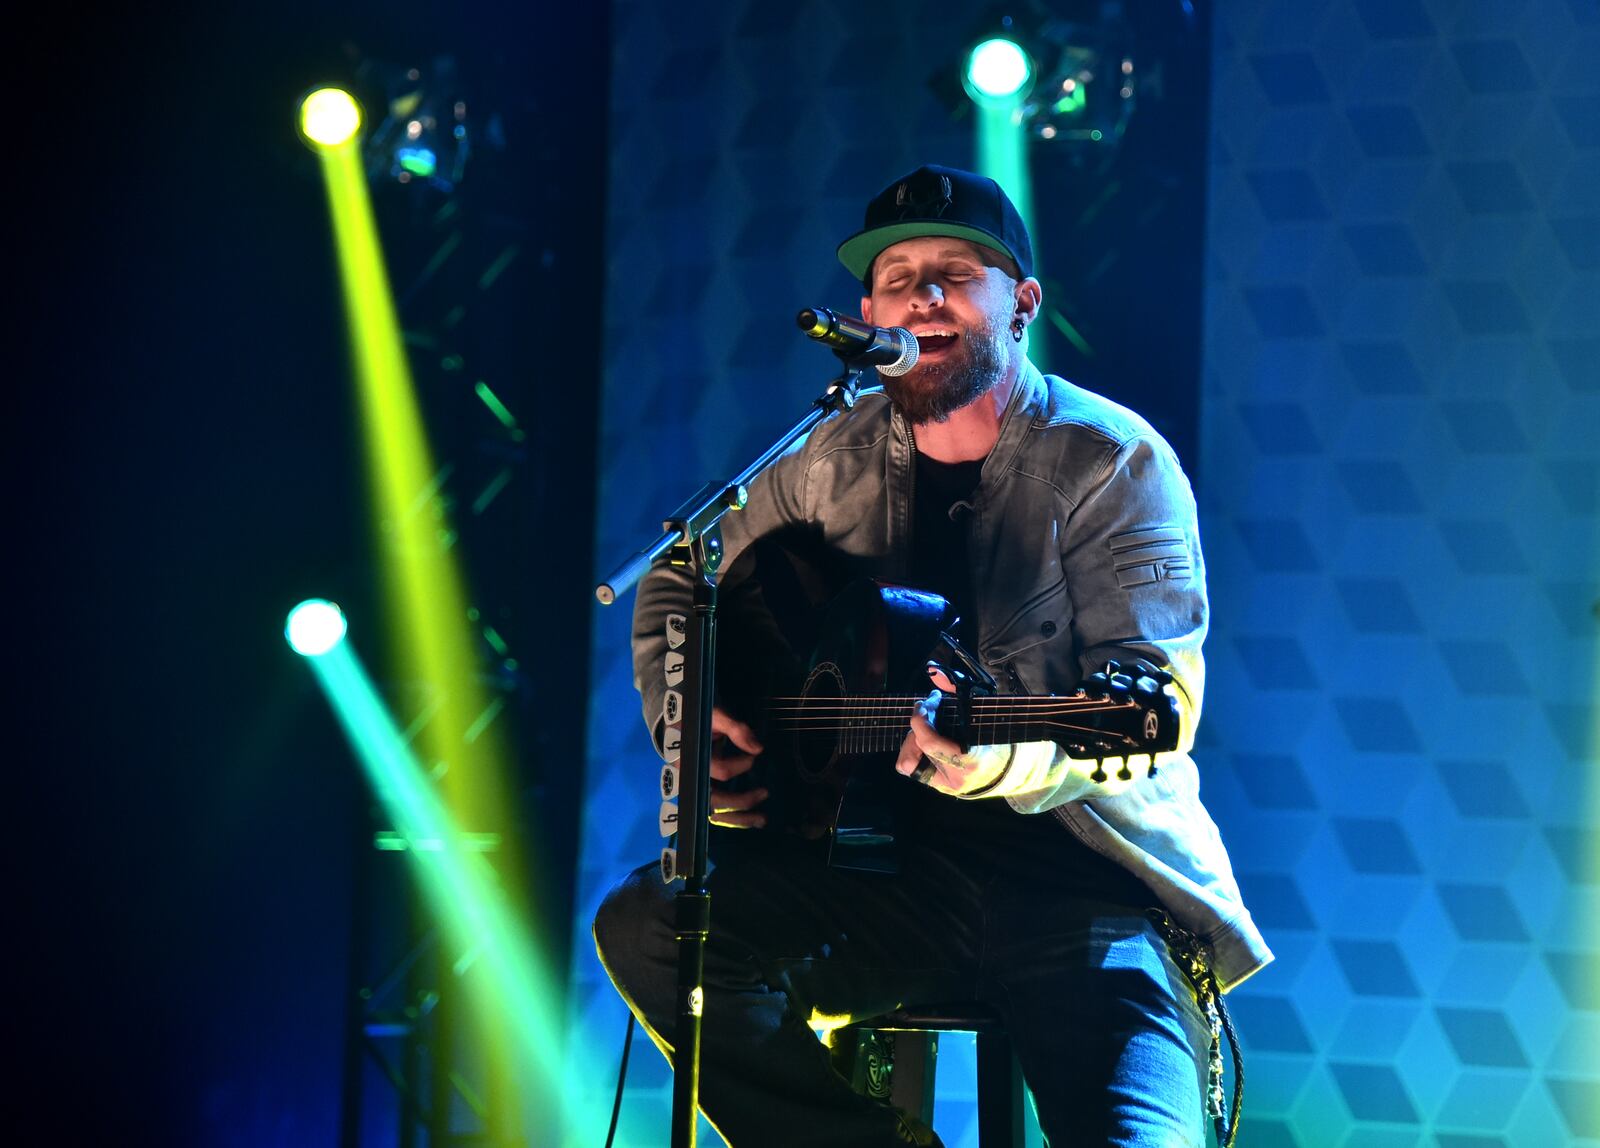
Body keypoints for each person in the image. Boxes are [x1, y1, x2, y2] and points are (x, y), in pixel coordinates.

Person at [594, 164, 1272, 1146]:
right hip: (876, 880)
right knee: (651, 925)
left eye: (956, 271)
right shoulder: (818, 457)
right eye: (898, 275)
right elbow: (675, 577)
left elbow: (1153, 696)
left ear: (1023, 302)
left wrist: (993, 753)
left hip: (1085, 885)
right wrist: (692, 722)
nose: (923, 293)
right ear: (867, 313)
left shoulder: (1112, 458)